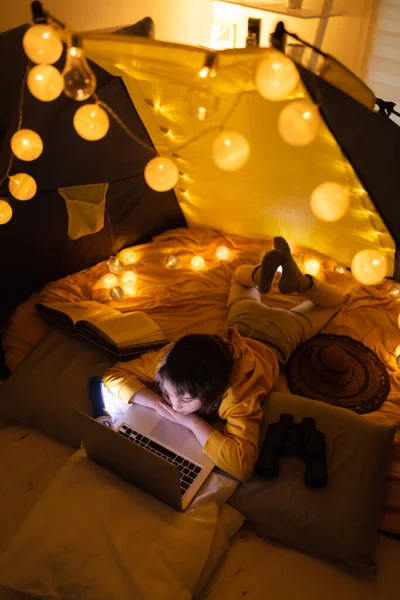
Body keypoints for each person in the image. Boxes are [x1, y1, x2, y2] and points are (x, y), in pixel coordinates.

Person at [103, 237, 348, 482]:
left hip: (280, 335)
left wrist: (191, 423)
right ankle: (273, 278)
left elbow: (241, 465)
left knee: (334, 302)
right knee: (239, 279)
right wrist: (157, 403)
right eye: (167, 393)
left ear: (213, 391)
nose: (174, 406)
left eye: (186, 399)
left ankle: (298, 282)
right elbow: (113, 375)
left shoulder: (239, 393)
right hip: (242, 321)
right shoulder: (169, 361)